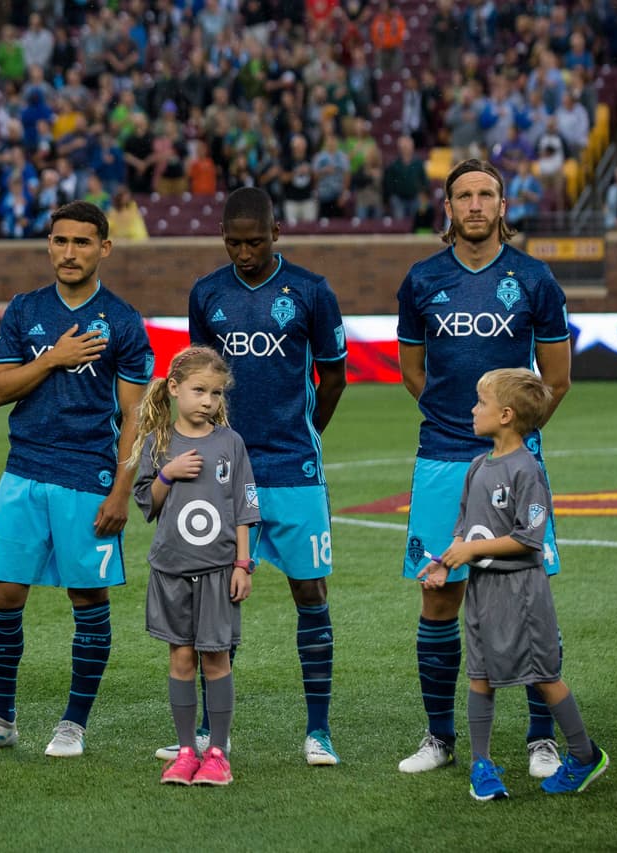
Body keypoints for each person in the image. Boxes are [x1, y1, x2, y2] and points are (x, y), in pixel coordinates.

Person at [396, 159, 572, 778]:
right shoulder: (421, 280)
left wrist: (514, 447)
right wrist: (454, 421)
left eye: (486, 195)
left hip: (515, 463)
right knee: (437, 594)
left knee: (528, 598)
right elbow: (413, 371)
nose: (474, 205)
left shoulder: (534, 279)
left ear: (502, 205)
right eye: (463, 195)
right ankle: (439, 737)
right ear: (447, 208)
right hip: (441, 458)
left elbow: (556, 379)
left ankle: (541, 739)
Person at [0, 201, 154, 758]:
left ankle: (73, 724)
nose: (70, 252)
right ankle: (0, 719)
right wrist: (54, 357)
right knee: (3, 594)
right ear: (49, 244)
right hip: (24, 471)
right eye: (60, 241)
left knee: (88, 598)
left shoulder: (121, 320)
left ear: (104, 249)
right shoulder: (25, 310)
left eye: (82, 243)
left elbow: (136, 416)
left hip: (88, 476)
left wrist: (122, 489)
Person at [180, 186, 348, 766]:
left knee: (310, 592)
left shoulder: (310, 291)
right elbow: (201, 378)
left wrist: (305, 434)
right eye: (233, 243)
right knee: (215, 600)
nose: (244, 253)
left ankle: (319, 731)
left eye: (255, 241)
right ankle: (207, 729)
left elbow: (334, 377)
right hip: (223, 469)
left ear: (277, 233)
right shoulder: (207, 293)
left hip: (294, 467)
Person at [418, 368, 608, 800]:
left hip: (523, 592)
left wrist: (469, 553)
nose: (473, 409)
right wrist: (447, 564)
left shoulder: (527, 470)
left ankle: (583, 754)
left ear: (505, 415)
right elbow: (464, 529)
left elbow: (529, 538)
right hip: (483, 592)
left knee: (543, 674)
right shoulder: (476, 467)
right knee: (480, 675)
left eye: (480, 403)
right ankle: (482, 765)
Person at [131, 347, 260, 786]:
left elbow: (245, 508)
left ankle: (218, 753)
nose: (208, 400)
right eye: (199, 390)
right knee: (181, 658)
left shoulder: (231, 443)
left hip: (219, 571)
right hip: (170, 570)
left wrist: (243, 564)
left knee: (216, 659)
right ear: (173, 389)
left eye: (217, 393)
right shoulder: (158, 442)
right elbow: (146, 501)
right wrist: (167, 473)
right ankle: (187, 751)